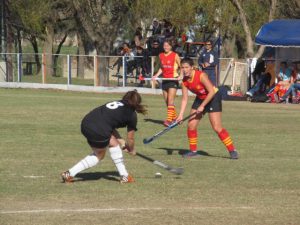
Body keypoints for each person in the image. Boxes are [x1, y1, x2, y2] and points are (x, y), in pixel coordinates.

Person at [61, 90, 147, 183]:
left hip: (86, 123)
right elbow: (130, 138)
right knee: (99, 155)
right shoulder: (131, 115)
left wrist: (121, 141)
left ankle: (124, 175)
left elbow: (110, 124)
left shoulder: (117, 103)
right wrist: (131, 149)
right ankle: (69, 173)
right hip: (99, 128)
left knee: (114, 144)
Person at [176, 58, 238, 159]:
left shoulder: (201, 75)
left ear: (192, 67)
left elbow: (211, 92)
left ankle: (232, 150)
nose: (184, 70)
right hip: (200, 98)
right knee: (191, 125)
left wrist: (202, 106)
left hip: (213, 97)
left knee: (217, 127)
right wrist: (180, 115)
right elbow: (184, 99)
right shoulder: (184, 81)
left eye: (187, 67)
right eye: (182, 68)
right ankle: (193, 151)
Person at [152, 39, 181, 127]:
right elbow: (162, 68)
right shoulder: (160, 55)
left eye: (167, 45)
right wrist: (156, 75)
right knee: (167, 102)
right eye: (164, 45)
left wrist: (181, 75)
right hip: (165, 80)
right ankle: (175, 118)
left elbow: (181, 66)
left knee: (171, 101)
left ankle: (168, 120)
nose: (166, 47)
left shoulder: (175, 55)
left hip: (173, 79)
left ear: (171, 46)